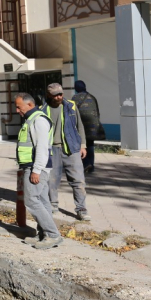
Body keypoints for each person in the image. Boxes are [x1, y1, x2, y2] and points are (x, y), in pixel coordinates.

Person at [14, 92, 62, 249]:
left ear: (29, 104)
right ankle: (44, 234)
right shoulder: (31, 119)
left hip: (35, 167)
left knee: (31, 200)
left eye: (19, 107)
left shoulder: (39, 120)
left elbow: (42, 147)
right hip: (33, 166)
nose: (17, 110)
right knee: (42, 201)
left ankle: (53, 235)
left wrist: (36, 170)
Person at [44, 83, 91, 222]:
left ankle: (81, 209)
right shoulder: (42, 110)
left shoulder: (71, 106)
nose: (59, 97)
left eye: (61, 94)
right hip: (52, 149)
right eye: (55, 95)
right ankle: (53, 206)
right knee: (51, 181)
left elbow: (79, 126)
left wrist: (83, 145)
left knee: (78, 180)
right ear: (49, 95)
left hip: (71, 148)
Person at [72, 80, 104, 173]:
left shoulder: (75, 98)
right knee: (90, 146)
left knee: (80, 145)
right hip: (93, 127)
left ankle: (86, 163)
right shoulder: (92, 97)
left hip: (82, 127)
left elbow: (72, 112)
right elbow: (97, 112)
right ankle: (91, 166)